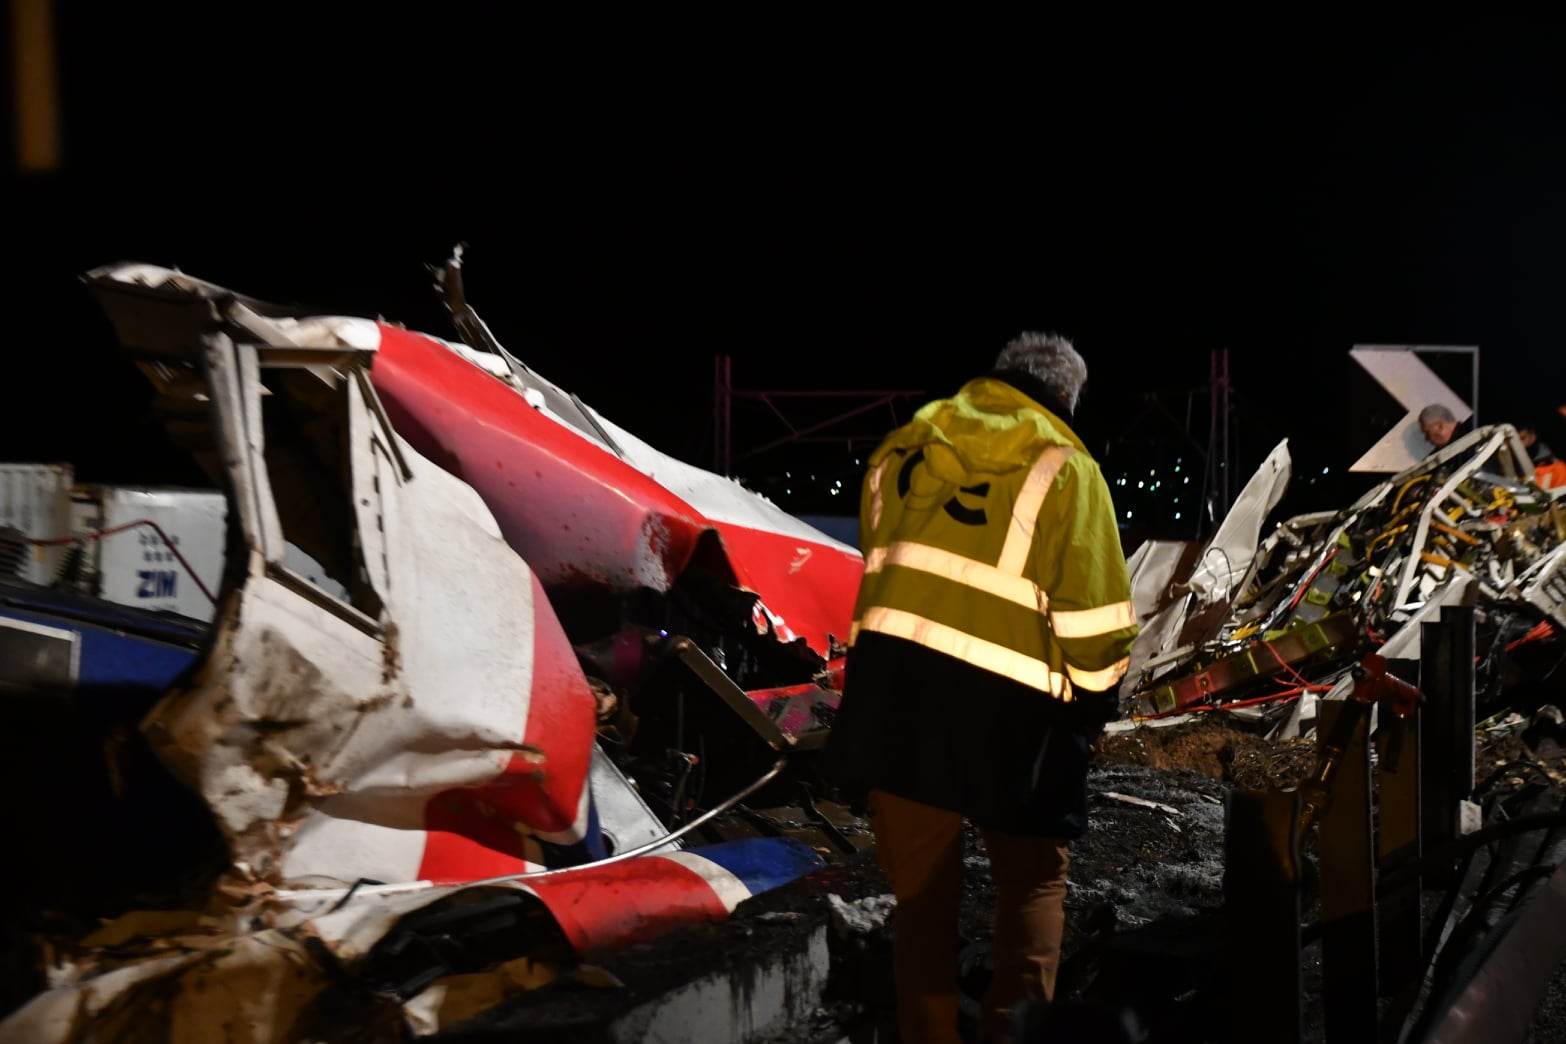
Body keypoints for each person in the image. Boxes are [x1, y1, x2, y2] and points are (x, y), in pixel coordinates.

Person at [824, 333, 1138, 1044]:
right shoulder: (1067, 467)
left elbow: (888, 569)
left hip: (896, 704)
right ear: (1068, 396)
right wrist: (1093, 708)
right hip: (1018, 723)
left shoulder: (902, 449)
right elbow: (1095, 625)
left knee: (921, 900)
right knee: (1033, 883)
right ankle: (1017, 1032)